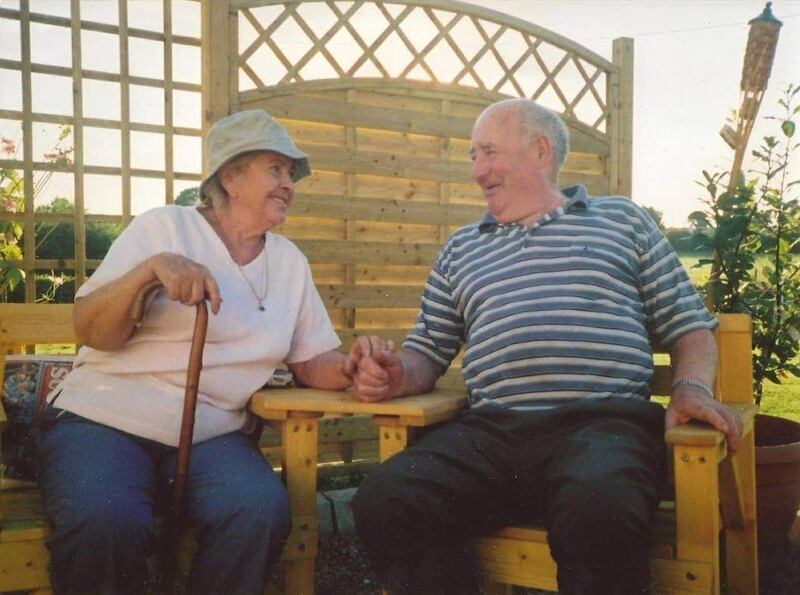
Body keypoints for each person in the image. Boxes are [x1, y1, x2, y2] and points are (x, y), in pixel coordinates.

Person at [350, 98, 743, 595]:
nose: (476, 170)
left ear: (539, 151)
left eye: (488, 152)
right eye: (472, 156)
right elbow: (426, 351)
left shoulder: (622, 221)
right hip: (492, 435)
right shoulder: (462, 248)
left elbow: (688, 324)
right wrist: (394, 374)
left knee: (598, 505)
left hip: (602, 428)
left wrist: (690, 387)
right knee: (386, 499)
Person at [37, 110, 384, 595]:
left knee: (258, 510)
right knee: (105, 520)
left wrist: (351, 367)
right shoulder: (164, 228)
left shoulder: (289, 263)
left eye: (291, 174)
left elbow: (310, 360)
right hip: (105, 424)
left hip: (211, 438)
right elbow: (90, 328)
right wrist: (151, 271)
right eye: (276, 170)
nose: (289, 185)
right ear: (230, 177)